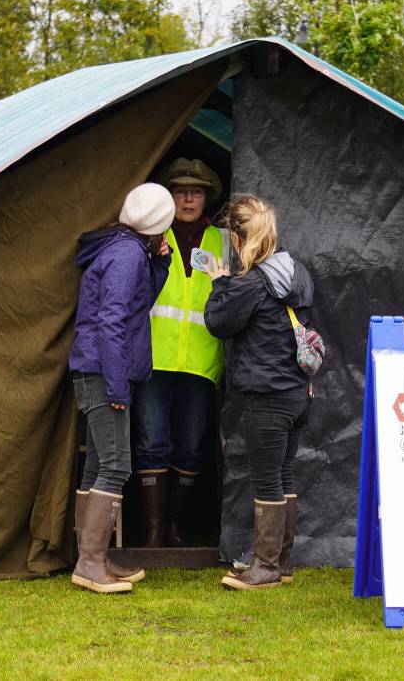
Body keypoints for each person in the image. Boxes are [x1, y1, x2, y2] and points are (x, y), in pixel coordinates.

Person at [203, 194, 315, 590]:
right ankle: (280, 563)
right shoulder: (296, 272)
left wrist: (219, 285)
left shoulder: (251, 283)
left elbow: (218, 322)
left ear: (237, 237)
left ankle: (264, 568)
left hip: (266, 395)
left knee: (267, 479)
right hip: (297, 393)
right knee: (283, 475)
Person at [68, 183, 175, 593]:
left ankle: (92, 560)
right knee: (115, 465)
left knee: (98, 464)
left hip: (96, 370)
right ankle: (91, 564)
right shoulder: (127, 254)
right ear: (160, 225)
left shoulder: (124, 248)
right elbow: (111, 322)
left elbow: (134, 305)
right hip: (103, 373)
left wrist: (160, 266)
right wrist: (117, 388)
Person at [133, 158, 227, 547]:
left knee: (191, 445)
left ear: (207, 197)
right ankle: (153, 531)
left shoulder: (224, 241)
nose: (189, 198)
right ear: (169, 196)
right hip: (155, 358)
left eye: (197, 191)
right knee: (152, 441)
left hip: (203, 362)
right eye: (181, 190)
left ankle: (175, 526)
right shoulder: (149, 235)